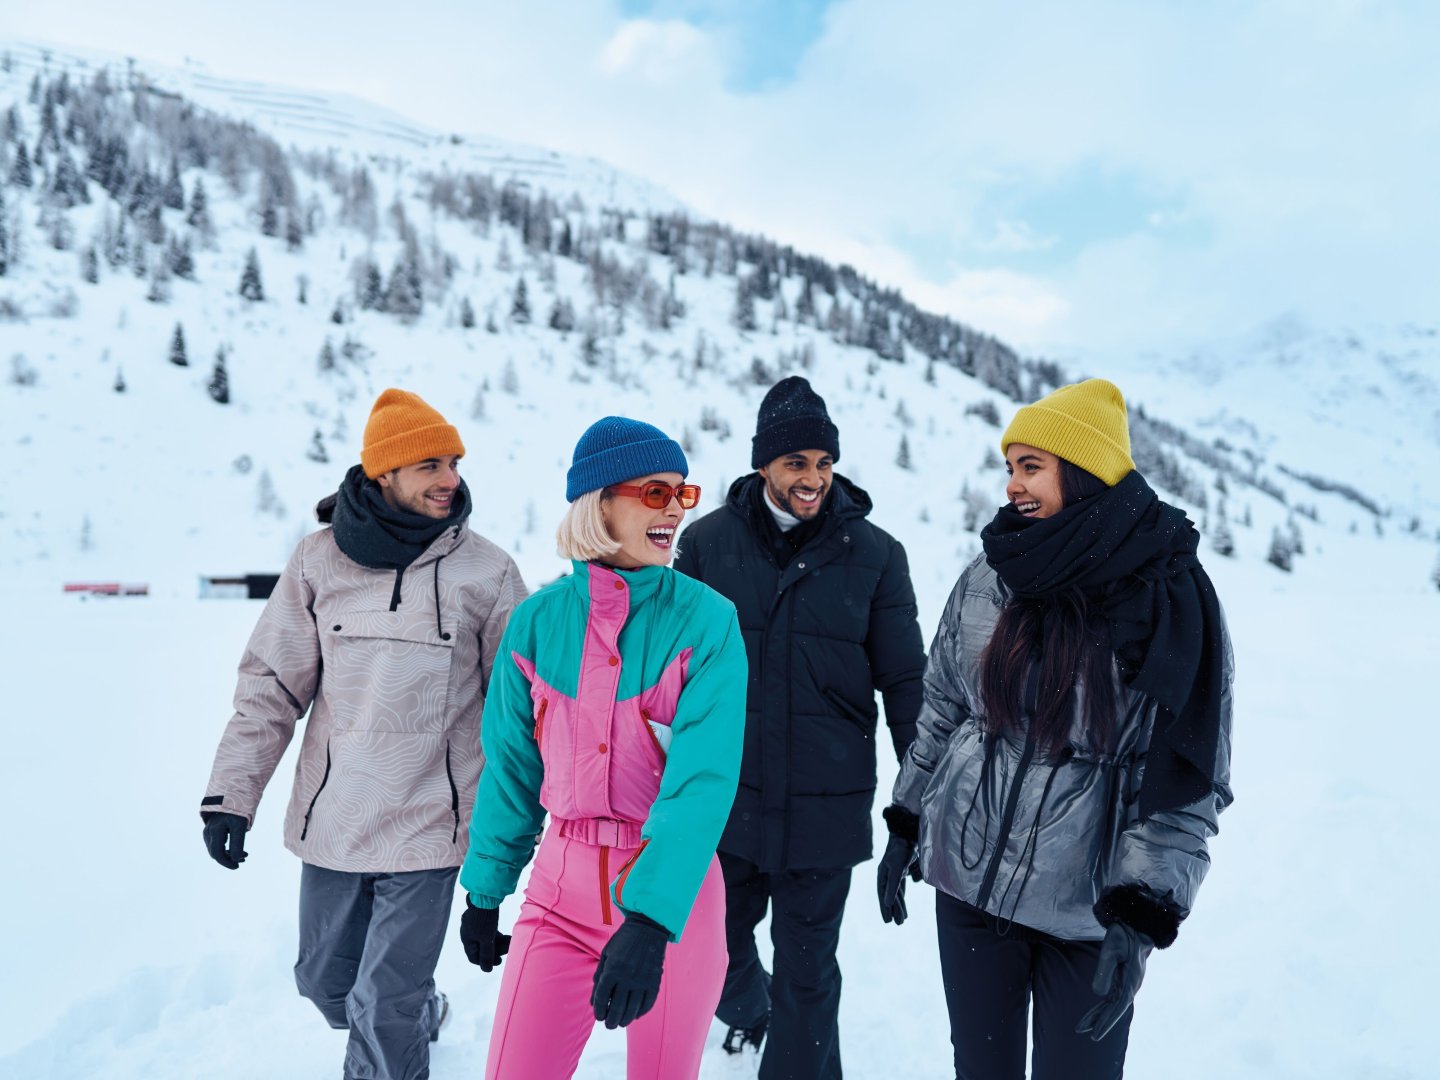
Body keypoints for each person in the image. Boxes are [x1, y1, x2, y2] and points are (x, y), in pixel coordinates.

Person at [877, 378, 1235, 1080]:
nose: (1012, 485)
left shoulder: (1170, 598)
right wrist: (907, 817)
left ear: (1084, 472)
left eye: (1031, 467)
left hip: (1089, 912)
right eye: (1009, 466)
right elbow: (945, 706)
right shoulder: (992, 573)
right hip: (969, 886)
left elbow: (1186, 775)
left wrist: (1143, 909)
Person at [198, 388, 526, 1080]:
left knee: (384, 1003)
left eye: (454, 463)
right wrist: (232, 794)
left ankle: (401, 1026)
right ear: (385, 475)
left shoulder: (488, 571)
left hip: (433, 823)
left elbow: (517, 708)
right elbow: (272, 684)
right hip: (336, 817)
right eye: (429, 465)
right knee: (326, 986)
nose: (450, 480)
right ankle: (418, 1012)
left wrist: (511, 831)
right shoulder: (318, 562)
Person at [457, 417, 746, 1080]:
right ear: (599, 503)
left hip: (673, 903)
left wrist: (649, 919)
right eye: (653, 492)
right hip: (558, 894)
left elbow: (701, 784)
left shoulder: (707, 622)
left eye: (681, 492)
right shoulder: (536, 623)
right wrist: (485, 891)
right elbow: (511, 770)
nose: (674, 508)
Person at [673, 376, 927, 1079]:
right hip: (727, 800)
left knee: (809, 973)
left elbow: (906, 683)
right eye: (795, 464)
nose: (812, 479)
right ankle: (757, 1016)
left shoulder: (876, 555)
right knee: (711, 953)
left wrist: (920, 801)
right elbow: (671, 677)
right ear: (763, 467)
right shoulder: (706, 547)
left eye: (823, 463)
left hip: (826, 801)